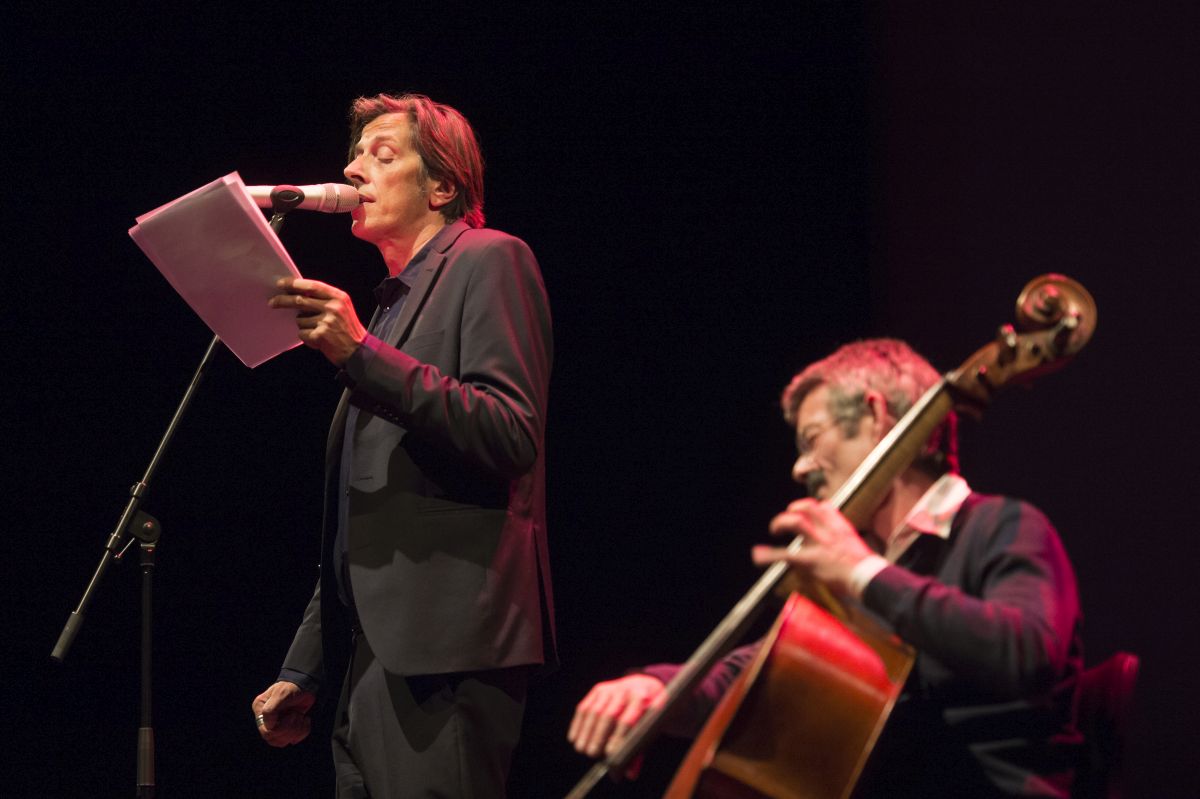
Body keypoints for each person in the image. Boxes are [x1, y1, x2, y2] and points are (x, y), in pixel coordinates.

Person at [568, 339, 1084, 797]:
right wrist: (656, 688)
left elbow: (1027, 651)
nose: (799, 468)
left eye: (812, 438)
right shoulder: (855, 573)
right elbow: (755, 673)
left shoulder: (1002, 526)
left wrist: (864, 573)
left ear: (876, 415)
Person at [251, 93, 555, 799]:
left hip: (447, 650)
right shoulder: (390, 307)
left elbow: (511, 432)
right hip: (369, 661)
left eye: (382, 155)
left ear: (442, 186)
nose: (354, 169)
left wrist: (361, 354)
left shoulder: (490, 258)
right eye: (355, 154)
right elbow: (364, 517)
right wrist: (306, 666)